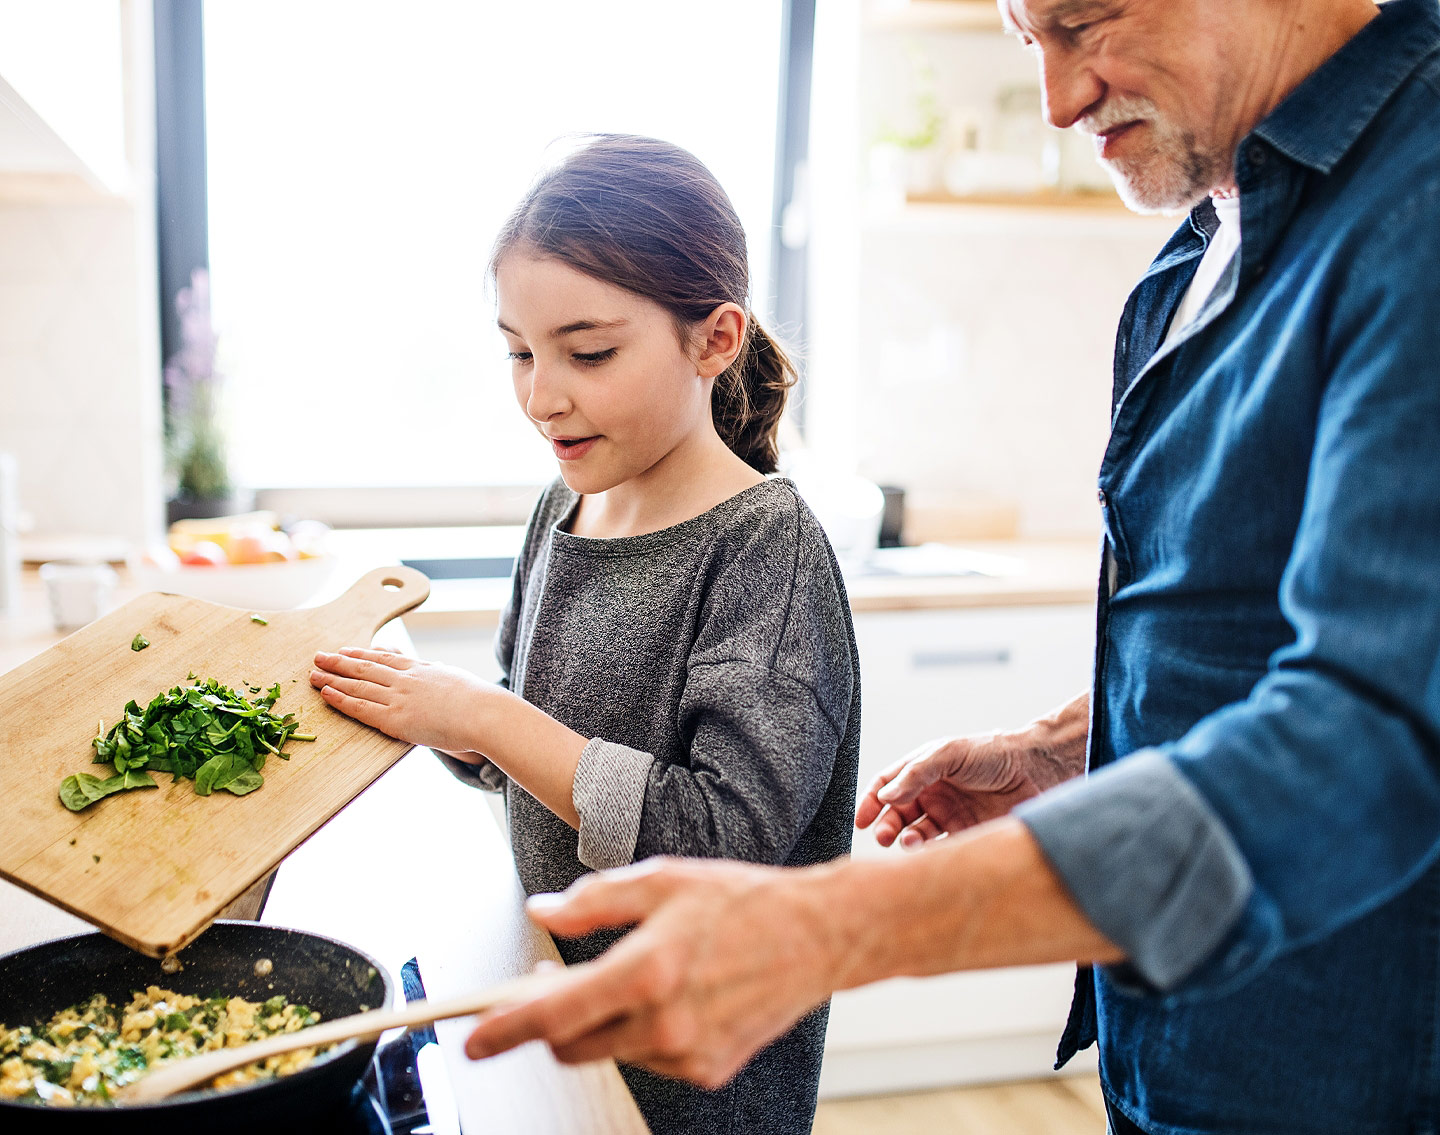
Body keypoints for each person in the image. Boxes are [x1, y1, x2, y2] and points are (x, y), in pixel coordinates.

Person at [457, 1, 1440, 1131]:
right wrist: (1078, 745)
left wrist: (836, 924)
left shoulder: (1419, 209)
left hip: (1357, 1065)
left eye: (1088, 20)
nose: (1059, 101)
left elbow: (1372, 742)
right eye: (1033, 42)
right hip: (1188, 1046)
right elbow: (1274, 634)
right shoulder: (1217, 227)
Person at [310, 134, 861, 1134]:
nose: (540, 394)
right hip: (561, 1015)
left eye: (588, 352)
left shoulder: (765, 548)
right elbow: (527, 754)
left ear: (716, 339)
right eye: (518, 351)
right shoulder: (561, 511)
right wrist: (431, 712)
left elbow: (720, 837)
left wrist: (484, 712)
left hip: (699, 1075)